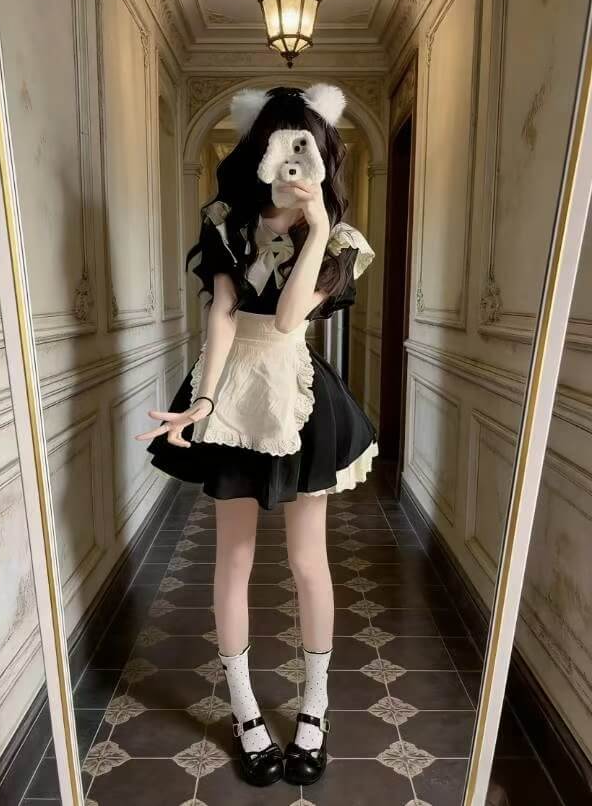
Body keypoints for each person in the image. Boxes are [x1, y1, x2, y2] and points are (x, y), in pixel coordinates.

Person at [136, 84, 378, 787]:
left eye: (307, 148)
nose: (294, 161)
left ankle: (315, 708)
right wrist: (203, 400)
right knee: (233, 559)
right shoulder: (227, 221)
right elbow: (223, 314)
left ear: (323, 155)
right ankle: (245, 710)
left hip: (297, 394)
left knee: (308, 562)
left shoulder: (339, 240)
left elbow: (289, 319)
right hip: (232, 392)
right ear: (260, 150)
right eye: (282, 145)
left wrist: (317, 221)